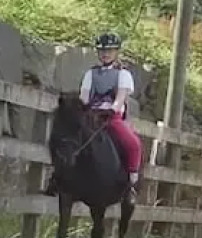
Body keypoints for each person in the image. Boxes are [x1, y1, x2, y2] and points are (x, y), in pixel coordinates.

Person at [45, 31, 143, 201]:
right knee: (67, 137)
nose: (105, 54)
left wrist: (113, 109)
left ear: (116, 52)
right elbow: (84, 96)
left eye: (109, 50)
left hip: (111, 117)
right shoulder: (91, 74)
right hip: (91, 115)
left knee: (133, 143)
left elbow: (121, 96)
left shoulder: (123, 74)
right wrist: (80, 108)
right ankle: (58, 176)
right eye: (102, 50)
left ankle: (131, 181)